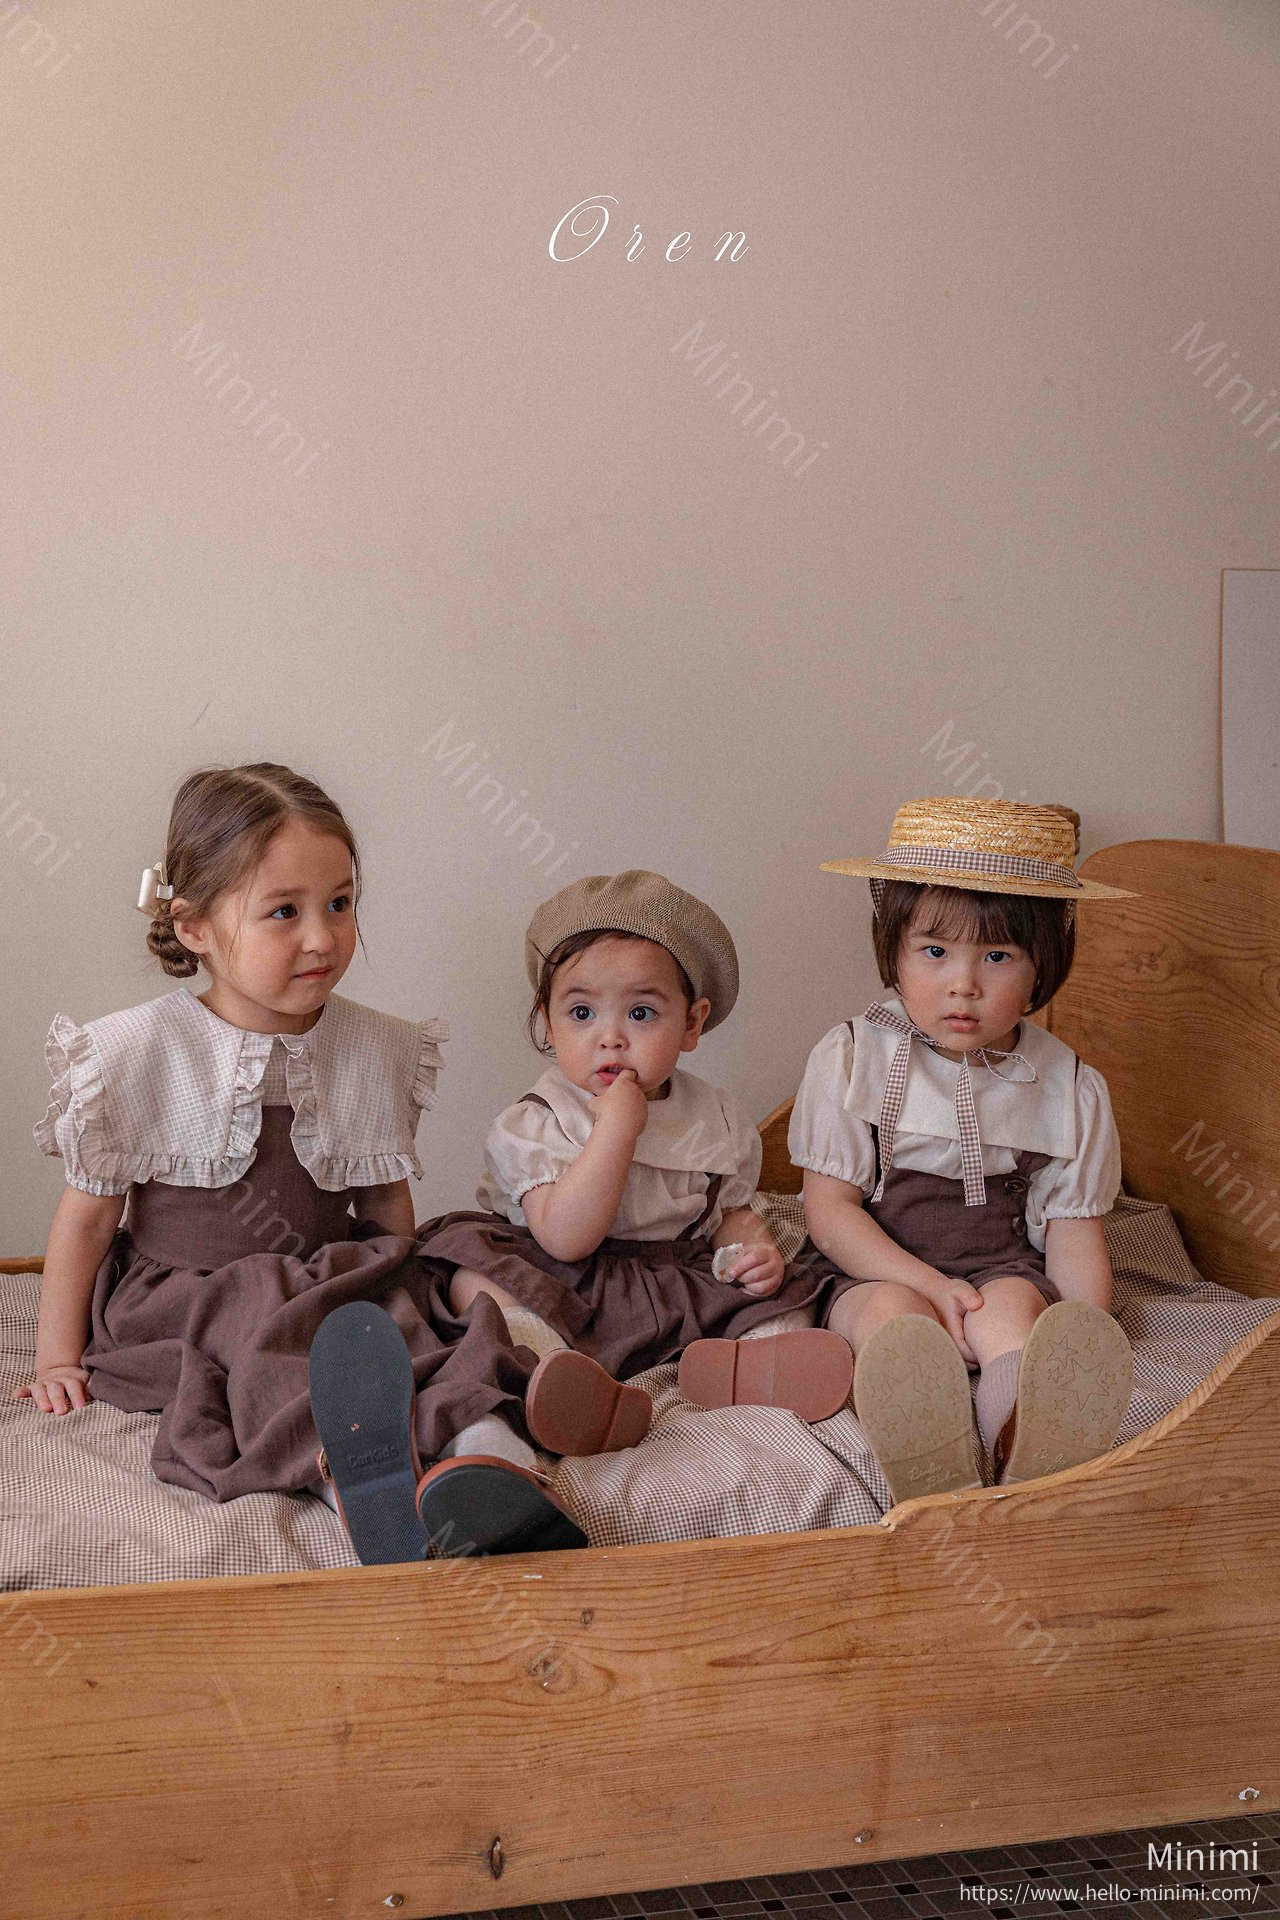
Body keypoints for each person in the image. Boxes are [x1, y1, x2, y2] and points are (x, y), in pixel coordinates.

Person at [16, 762, 630, 1563]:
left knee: (421, 1331)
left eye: (340, 903)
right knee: (269, 1355)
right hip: (196, 1296)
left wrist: (399, 1277)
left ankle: (495, 1459)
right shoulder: (138, 1051)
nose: (323, 936)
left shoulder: (369, 1045)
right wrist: (57, 1359)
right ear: (193, 926)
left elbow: (383, 1203)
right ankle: (356, 1482)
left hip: (327, 1274)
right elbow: (88, 1221)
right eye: (284, 911)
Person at [410, 869, 861, 1427]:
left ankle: (748, 1367)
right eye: (581, 1013)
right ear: (547, 1023)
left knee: (789, 1294)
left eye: (641, 1014)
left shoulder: (716, 1117)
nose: (611, 1038)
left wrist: (751, 1250)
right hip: (564, 1282)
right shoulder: (538, 1120)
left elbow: (728, 1213)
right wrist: (617, 1130)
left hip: (672, 1282)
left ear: (691, 1024)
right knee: (475, 1281)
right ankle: (554, 1377)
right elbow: (566, 1239)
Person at [788, 796, 1135, 1504]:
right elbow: (829, 1212)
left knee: (1013, 1319)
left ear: (1043, 967)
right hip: (875, 1265)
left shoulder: (1065, 1085)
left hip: (998, 1265)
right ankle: (929, 1449)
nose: (964, 985)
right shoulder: (854, 1058)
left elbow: (1072, 1231)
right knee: (893, 1324)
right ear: (894, 951)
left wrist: (1083, 1334)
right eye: (935, 951)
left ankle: (1026, 1443)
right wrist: (926, 1284)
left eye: (998, 956)